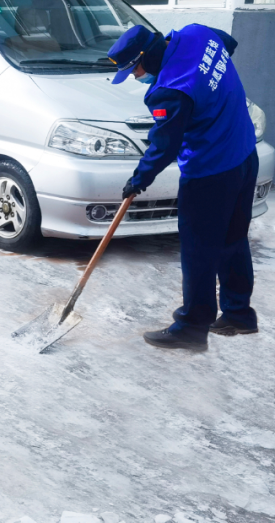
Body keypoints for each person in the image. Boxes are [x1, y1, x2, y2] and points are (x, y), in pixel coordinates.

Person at [110, 24, 259, 350]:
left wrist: (138, 180)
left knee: (198, 250)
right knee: (232, 239)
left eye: (134, 70)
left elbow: (165, 145)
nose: (136, 78)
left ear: (145, 57)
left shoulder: (171, 89)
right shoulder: (197, 33)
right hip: (245, 154)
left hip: (211, 173)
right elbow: (228, 44)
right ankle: (239, 313)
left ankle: (192, 327)